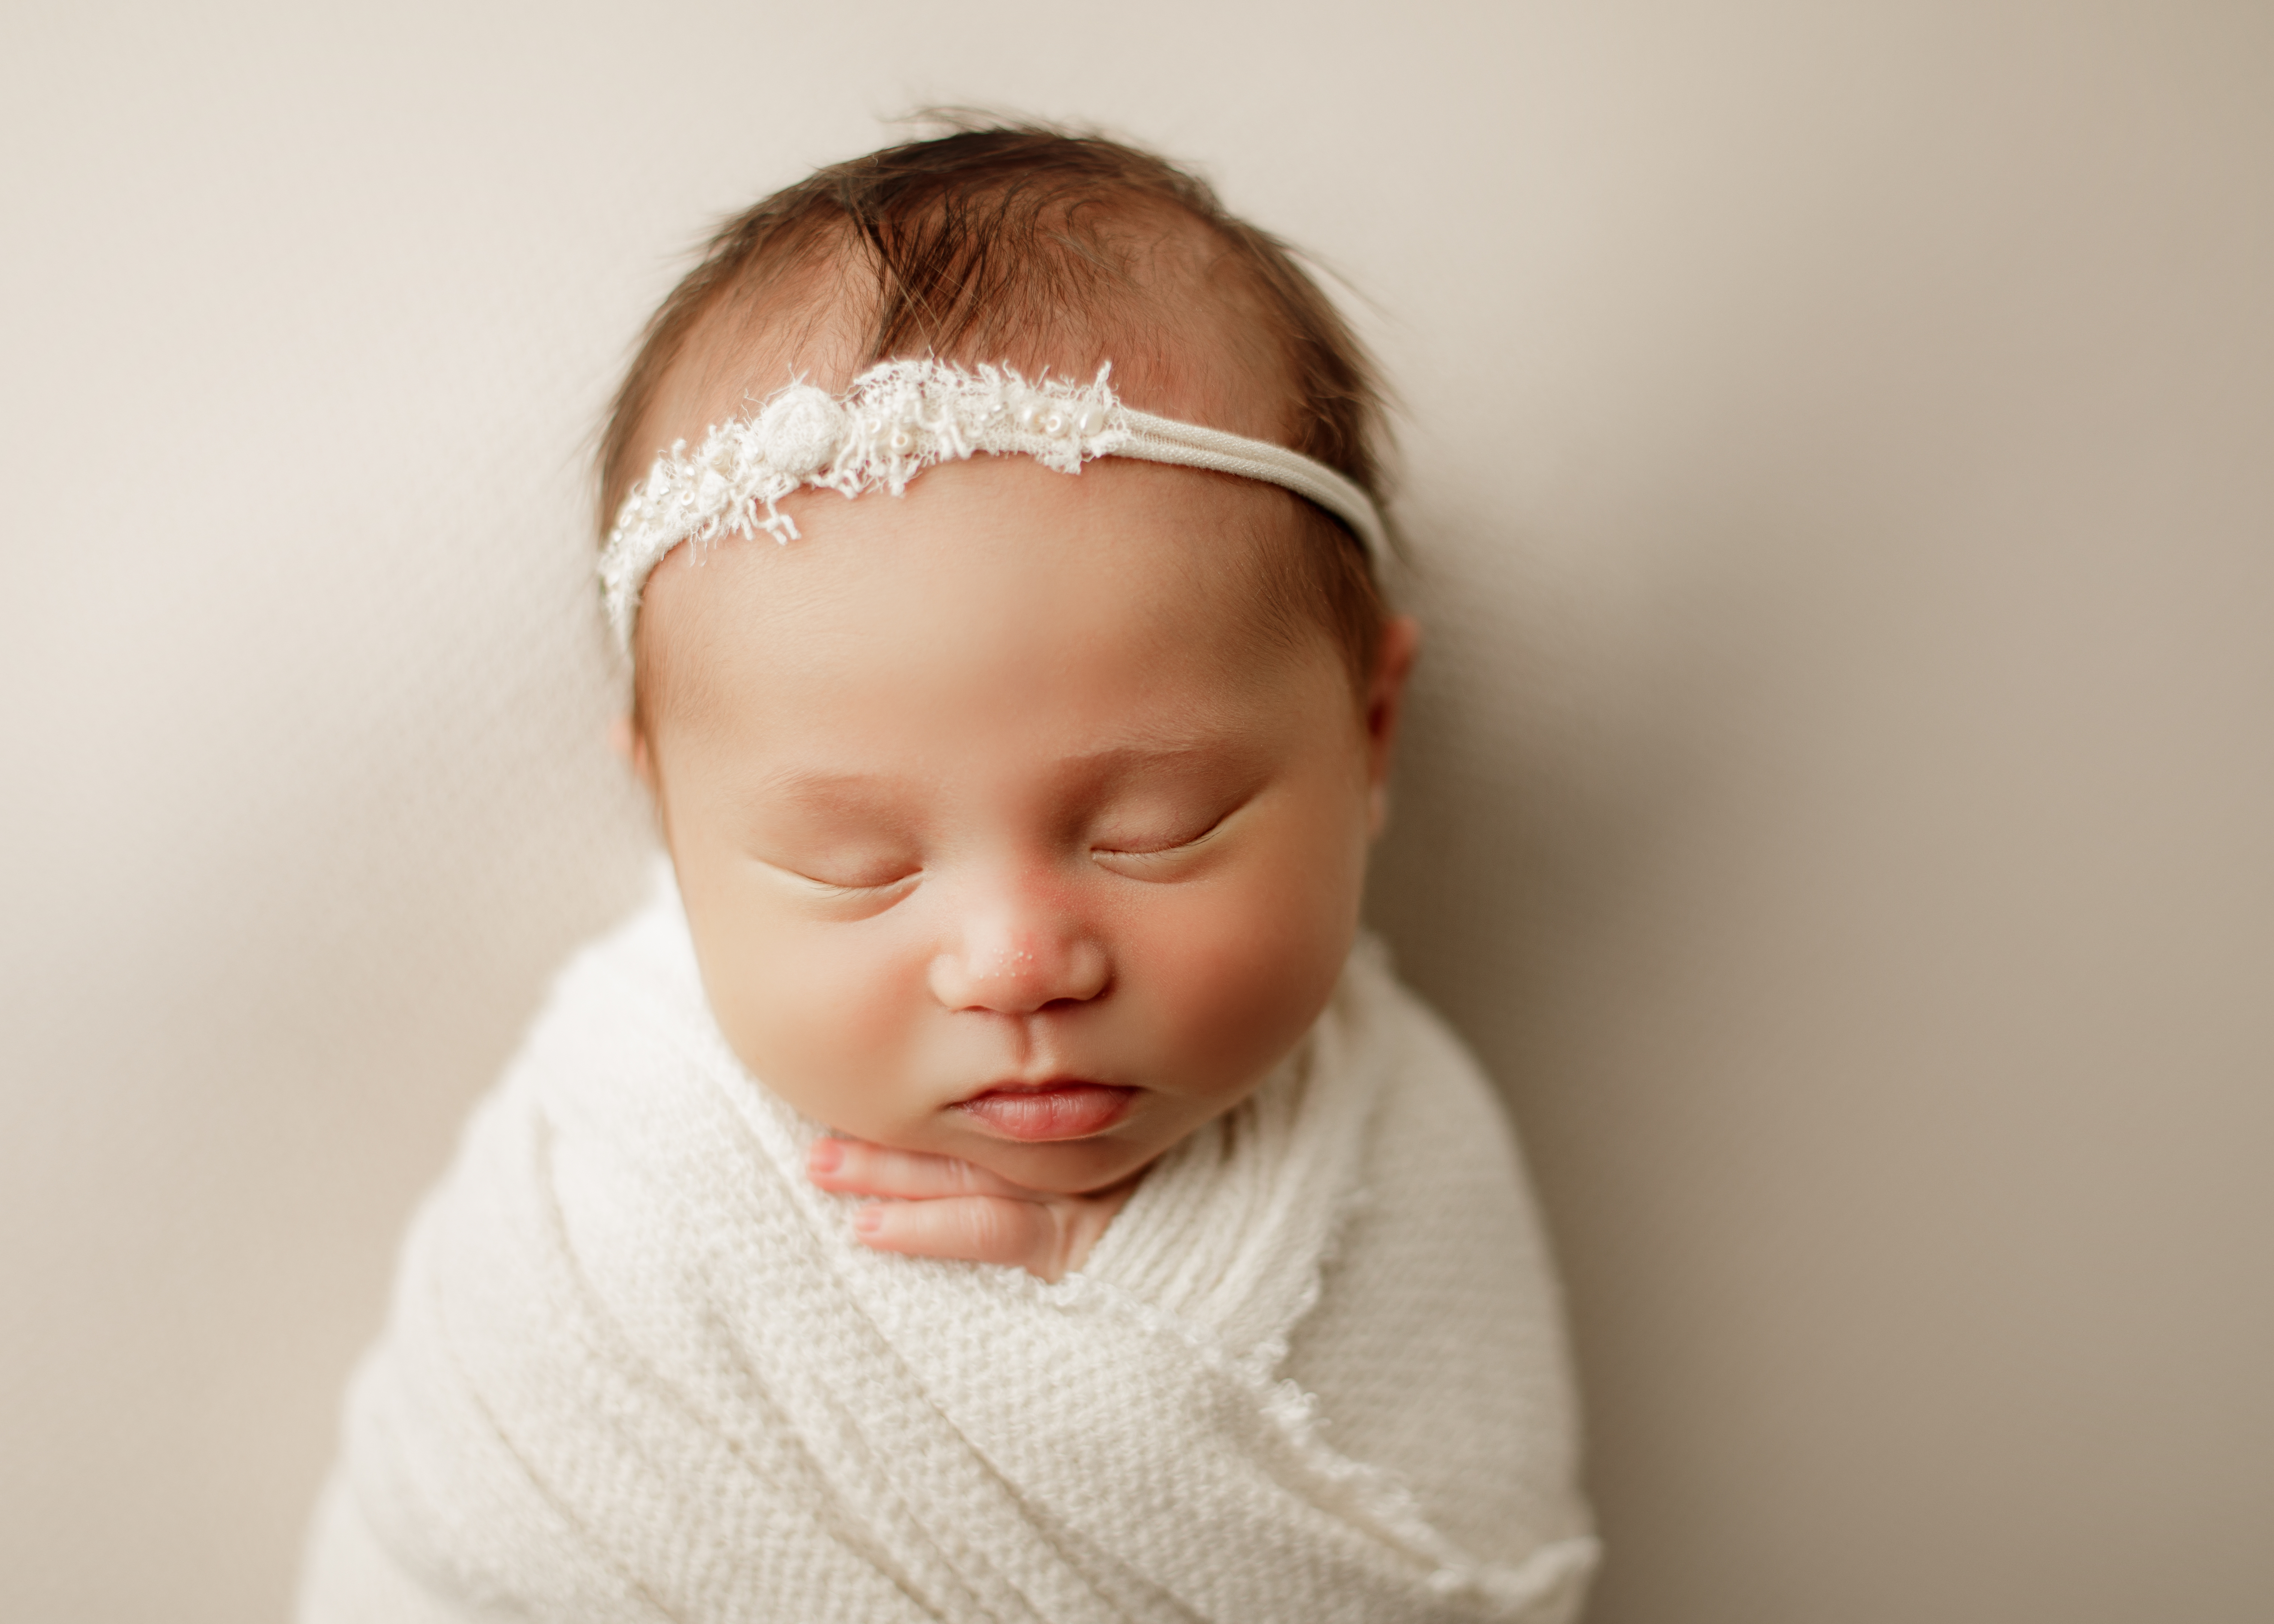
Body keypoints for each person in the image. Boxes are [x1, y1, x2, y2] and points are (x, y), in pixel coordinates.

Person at [301, 122, 1597, 1623]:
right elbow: (452, 1548)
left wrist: (1097, 1295)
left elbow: (1479, 1572)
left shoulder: (1402, 1146)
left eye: (1152, 828)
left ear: (1369, 734)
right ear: (671, 819)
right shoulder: (621, 1167)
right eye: (852, 863)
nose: (1015, 959)